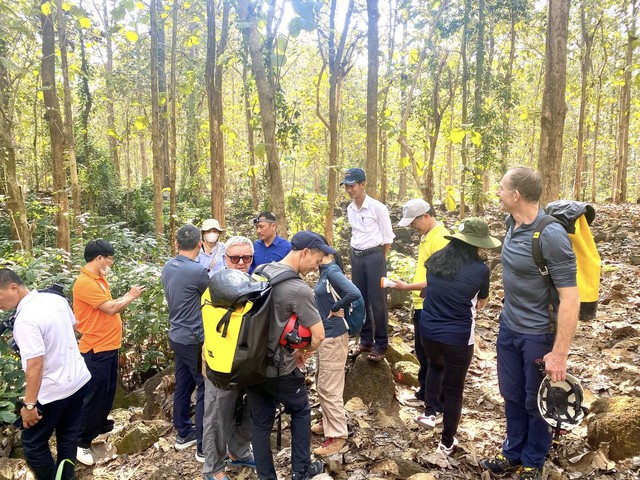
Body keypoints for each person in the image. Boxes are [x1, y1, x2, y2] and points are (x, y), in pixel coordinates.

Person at [480, 167, 579, 480]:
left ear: (516, 195)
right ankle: (512, 452)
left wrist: (559, 352)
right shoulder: (511, 222)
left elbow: (570, 297)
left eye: (501, 187)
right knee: (510, 393)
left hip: (538, 333)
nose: (497, 192)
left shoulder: (550, 235)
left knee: (536, 399)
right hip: (509, 325)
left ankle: (534, 461)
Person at [247, 231, 329, 480]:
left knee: (260, 424)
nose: (316, 266)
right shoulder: (298, 289)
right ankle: (301, 470)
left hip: (250, 364)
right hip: (280, 368)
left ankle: (266, 476)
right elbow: (319, 335)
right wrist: (304, 351)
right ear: (304, 253)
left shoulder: (261, 270)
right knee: (302, 410)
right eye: (316, 259)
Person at [419, 218, 501, 457]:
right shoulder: (480, 269)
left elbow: (431, 289)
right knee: (454, 390)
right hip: (458, 336)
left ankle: (430, 412)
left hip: (429, 330)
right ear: (477, 244)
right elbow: (482, 302)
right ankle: (446, 442)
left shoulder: (435, 261)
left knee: (435, 365)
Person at [0, 269, 91, 480]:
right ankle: (66, 477)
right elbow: (74, 327)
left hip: (52, 391)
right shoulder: (54, 299)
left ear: (13, 287)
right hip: (78, 380)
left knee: (33, 444)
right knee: (68, 436)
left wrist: (30, 405)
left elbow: (35, 365)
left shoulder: (25, 320)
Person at [73, 239, 145, 466]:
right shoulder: (85, 283)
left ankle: (98, 429)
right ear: (100, 258)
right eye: (110, 259)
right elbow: (111, 307)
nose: (111, 263)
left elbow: (109, 307)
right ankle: (80, 442)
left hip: (109, 346)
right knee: (93, 396)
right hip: (95, 349)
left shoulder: (99, 279)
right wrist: (131, 295)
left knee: (107, 393)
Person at [202, 236, 255, 479]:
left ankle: (239, 451)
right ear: (226, 259)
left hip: (249, 363)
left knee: (247, 410)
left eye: (247, 258)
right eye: (235, 258)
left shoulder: (255, 286)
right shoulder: (215, 288)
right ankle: (213, 468)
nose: (241, 262)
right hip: (220, 365)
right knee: (217, 414)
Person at [390, 199, 449, 416]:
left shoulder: (441, 238)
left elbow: (440, 279)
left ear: (425, 216)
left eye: (414, 222)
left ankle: (437, 402)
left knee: (434, 357)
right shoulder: (427, 237)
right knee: (422, 353)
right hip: (420, 304)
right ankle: (425, 393)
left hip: (431, 305)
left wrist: (407, 287)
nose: (412, 227)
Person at [162, 224, 210, 460]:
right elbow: (213, 296)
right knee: (203, 385)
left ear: (177, 244)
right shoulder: (198, 271)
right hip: (193, 338)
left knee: (183, 383)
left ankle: (183, 433)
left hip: (176, 335)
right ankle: (203, 446)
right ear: (200, 245)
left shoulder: (168, 267)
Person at [312, 246, 363, 455]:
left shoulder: (332, 271)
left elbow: (354, 292)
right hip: (326, 335)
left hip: (334, 336)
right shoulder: (324, 272)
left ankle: (337, 436)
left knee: (329, 386)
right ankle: (327, 421)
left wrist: (336, 307)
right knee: (321, 382)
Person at [341, 168, 395, 362]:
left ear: (363, 184)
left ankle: (381, 344)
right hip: (357, 256)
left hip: (375, 256)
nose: (349, 190)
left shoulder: (377, 208)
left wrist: (380, 259)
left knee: (378, 301)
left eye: (353, 185)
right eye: (347, 186)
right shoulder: (350, 209)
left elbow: (387, 238)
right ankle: (365, 340)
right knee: (360, 300)